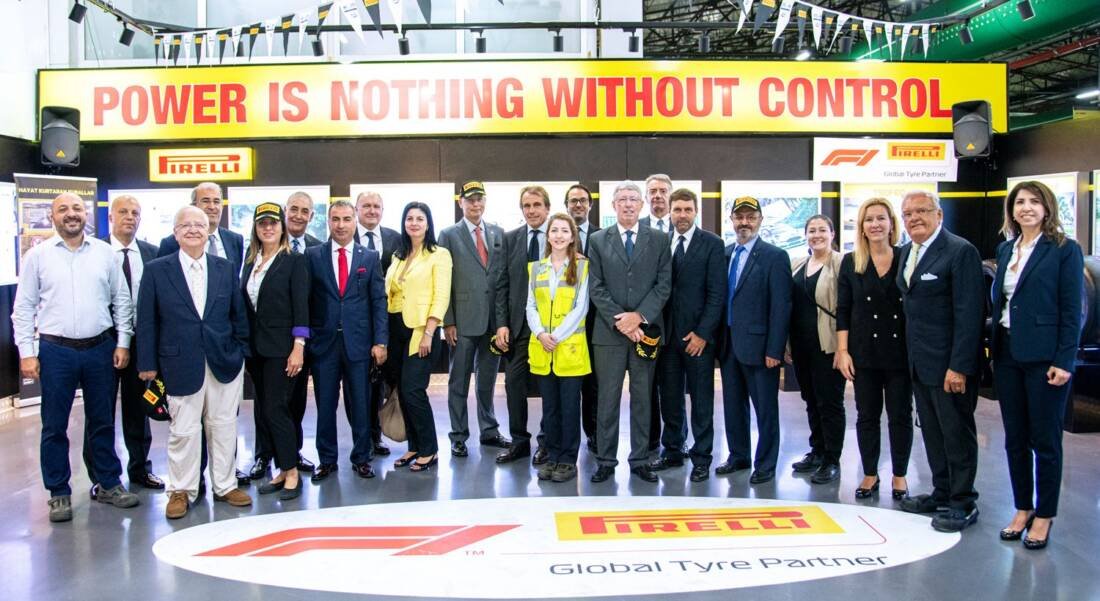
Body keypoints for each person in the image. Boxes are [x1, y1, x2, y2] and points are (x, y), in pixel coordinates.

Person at [13, 193, 140, 523]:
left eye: (76, 209)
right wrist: (26, 353)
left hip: (100, 348)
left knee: (102, 421)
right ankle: (58, 492)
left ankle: (108, 483)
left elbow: (121, 300)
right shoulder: (37, 256)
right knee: (54, 425)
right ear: (52, 216)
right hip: (56, 351)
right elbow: (23, 308)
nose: (71, 214)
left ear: (86, 214)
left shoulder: (104, 253)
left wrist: (123, 343)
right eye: (63, 209)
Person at [137, 205, 252, 520]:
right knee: (184, 431)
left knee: (224, 426)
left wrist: (240, 351)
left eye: (199, 225)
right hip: (179, 363)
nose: (192, 230)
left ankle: (225, 486)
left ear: (208, 231)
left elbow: (238, 315)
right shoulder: (157, 270)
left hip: (223, 362)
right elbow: (146, 320)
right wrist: (147, 362)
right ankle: (181, 490)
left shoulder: (225, 268)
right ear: (175, 233)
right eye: (185, 225)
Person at [991, 181, 1083, 550]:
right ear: (1011, 210)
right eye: (1019, 202)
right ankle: (1022, 508)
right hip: (1007, 354)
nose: (1026, 208)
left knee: (1045, 440)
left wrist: (1065, 360)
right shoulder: (1005, 248)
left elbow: (1072, 310)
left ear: (1047, 208)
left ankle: (1044, 514)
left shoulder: (1064, 249)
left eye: (1033, 201)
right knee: (1015, 438)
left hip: (1045, 359)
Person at [895, 191, 984, 533]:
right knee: (932, 432)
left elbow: (970, 314)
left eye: (922, 211)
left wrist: (959, 366)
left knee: (956, 433)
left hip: (949, 365)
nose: (914, 218)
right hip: (919, 363)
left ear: (939, 214)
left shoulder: (960, 251)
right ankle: (942, 491)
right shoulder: (909, 252)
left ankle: (963, 501)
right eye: (908, 213)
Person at [587, 181, 672, 483]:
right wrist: (621, 321)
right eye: (622, 199)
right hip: (608, 334)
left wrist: (638, 317)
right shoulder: (598, 240)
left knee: (643, 398)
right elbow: (595, 286)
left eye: (633, 199)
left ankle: (639, 459)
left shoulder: (659, 239)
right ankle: (605, 460)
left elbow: (663, 284)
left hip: (644, 333)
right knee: (607, 399)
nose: (627, 204)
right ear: (613, 205)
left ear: (641, 204)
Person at [82, 195, 163, 493]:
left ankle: (140, 469)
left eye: (135, 213)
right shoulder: (94, 252)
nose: (130, 217)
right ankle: (100, 477)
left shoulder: (152, 253)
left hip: (141, 342)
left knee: (138, 408)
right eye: (124, 212)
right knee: (100, 410)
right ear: (111, 217)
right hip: (103, 342)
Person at [835, 198, 913, 501]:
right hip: (864, 352)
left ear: (891, 224)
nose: (875, 224)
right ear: (861, 227)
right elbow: (843, 309)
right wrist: (843, 351)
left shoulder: (907, 257)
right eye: (869, 219)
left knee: (900, 415)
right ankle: (870, 473)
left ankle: (899, 474)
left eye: (881, 218)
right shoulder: (851, 262)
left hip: (900, 353)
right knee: (866, 415)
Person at [304, 200, 388, 482]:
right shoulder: (313, 255)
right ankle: (327, 460)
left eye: (346, 219)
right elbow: (306, 300)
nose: (341, 225)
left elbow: (378, 301)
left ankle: (362, 458)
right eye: (335, 219)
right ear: (328, 221)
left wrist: (380, 341)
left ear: (355, 221)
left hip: (360, 344)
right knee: (325, 405)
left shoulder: (370, 257)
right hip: (323, 344)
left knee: (361, 404)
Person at [650, 189, 725, 483]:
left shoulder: (712, 244)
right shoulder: (661, 242)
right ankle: (672, 449)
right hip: (667, 338)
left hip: (698, 339)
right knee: (669, 398)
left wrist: (703, 333)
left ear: (696, 212)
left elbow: (716, 294)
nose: (682, 215)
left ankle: (702, 457)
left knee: (702, 400)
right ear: (669, 212)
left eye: (687, 209)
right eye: (677, 209)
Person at [717, 196, 792, 484]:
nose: (744, 222)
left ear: (760, 220)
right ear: (732, 221)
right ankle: (738, 456)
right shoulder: (725, 254)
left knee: (765, 409)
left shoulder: (774, 256)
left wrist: (775, 348)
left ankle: (766, 463)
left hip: (761, 349)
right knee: (733, 406)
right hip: (729, 346)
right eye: (739, 217)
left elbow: (781, 306)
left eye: (750, 217)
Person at [242, 204, 310, 502]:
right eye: (262, 224)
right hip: (256, 351)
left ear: (282, 227)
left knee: (276, 408)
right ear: (256, 229)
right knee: (265, 409)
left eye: (273, 223)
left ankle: (291, 472)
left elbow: (301, 307)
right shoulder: (250, 262)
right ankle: (282, 469)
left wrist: (299, 346)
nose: (268, 228)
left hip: (283, 350)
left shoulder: (294, 261)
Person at [438, 181, 511, 458]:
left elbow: (500, 279)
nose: (475, 204)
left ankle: (489, 430)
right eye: (470, 200)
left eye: (479, 199)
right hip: (463, 322)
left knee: (487, 380)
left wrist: (502, 321)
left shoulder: (497, 232)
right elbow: (443, 280)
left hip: (492, 322)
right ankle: (458, 435)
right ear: (461, 203)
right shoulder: (449, 234)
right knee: (458, 381)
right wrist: (448, 321)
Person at [386, 202, 452, 472]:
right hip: (395, 329)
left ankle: (429, 449)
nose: (414, 223)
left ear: (428, 224)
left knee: (413, 389)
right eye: (409, 218)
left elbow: (441, 296)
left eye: (419, 218)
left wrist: (429, 332)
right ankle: (414, 445)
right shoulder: (398, 255)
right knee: (402, 389)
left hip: (421, 331)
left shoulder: (439, 255)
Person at [526, 213, 592, 483]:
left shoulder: (583, 267)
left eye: (565, 231)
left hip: (570, 349)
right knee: (550, 409)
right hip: (543, 349)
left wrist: (555, 335)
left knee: (569, 408)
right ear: (548, 235)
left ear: (573, 236)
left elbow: (581, 307)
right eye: (554, 230)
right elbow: (530, 305)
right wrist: (541, 334)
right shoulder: (536, 268)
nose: (559, 235)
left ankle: (567, 460)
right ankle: (552, 457)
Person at [787, 215, 846, 485]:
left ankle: (832, 459)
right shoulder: (798, 264)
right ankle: (817, 450)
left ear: (832, 234)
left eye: (822, 230)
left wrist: (844, 347)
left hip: (828, 345)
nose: (817, 235)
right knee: (810, 399)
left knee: (829, 402)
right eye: (812, 230)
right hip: (801, 345)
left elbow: (847, 307)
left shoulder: (841, 264)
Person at [495, 186, 550, 465]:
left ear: (547, 208)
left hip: (550, 327)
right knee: (513, 384)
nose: (532, 210)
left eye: (537, 205)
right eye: (527, 206)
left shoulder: (559, 236)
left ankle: (546, 442)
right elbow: (502, 284)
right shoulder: (510, 239)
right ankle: (519, 442)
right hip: (518, 327)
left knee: (549, 387)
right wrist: (501, 324)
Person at [354, 191, 402, 457]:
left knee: (385, 381)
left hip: (390, 322)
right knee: (364, 384)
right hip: (359, 323)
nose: (372, 210)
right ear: (357, 209)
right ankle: (365, 437)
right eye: (366, 206)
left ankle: (380, 434)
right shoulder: (345, 236)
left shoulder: (395, 238)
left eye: (376, 206)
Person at [280, 191, 323, 475]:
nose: (298, 215)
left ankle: (292, 454)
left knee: (296, 400)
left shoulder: (317, 248)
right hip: (273, 336)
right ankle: (265, 455)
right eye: (293, 209)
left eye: (304, 211)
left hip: (306, 336)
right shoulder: (268, 241)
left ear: (312, 216)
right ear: (285, 210)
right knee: (268, 401)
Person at [640, 174, 673, 451]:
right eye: (653, 191)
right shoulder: (635, 228)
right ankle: (650, 441)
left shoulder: (684, 226)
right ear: (646, 196)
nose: (658, 195)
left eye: (663, 190)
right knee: (646, 386)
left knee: (673, 386)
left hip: (676, 321)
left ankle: (675, 442)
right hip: (645, 322)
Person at [566, 184, 600, 451]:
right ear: (566, 205)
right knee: (565, 384)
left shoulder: (602, 236)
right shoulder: (557, 236)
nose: (578, 205)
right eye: (573, 201)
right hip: (564, 322)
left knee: (593, 383)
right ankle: (565, 439)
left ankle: (594, 433)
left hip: (596, 322)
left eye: (582, 200)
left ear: (590, 205)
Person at [158, 182, 243, 276]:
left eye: (216, 201)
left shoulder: (234, 240)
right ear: (193, 206)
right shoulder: (171, 243)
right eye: (206, 201)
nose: (212, 207)